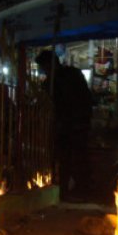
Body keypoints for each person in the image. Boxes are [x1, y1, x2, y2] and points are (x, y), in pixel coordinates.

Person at [35, 50, 93, 201]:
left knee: (72, 160)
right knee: (68, 161)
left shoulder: (63, 78)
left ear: (50, 64)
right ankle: (70, 191)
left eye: (44, 67)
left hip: (72, 125)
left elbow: (82, 99)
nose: (44, 70)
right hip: (69, 125)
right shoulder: (56, 79)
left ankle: (75, 191)